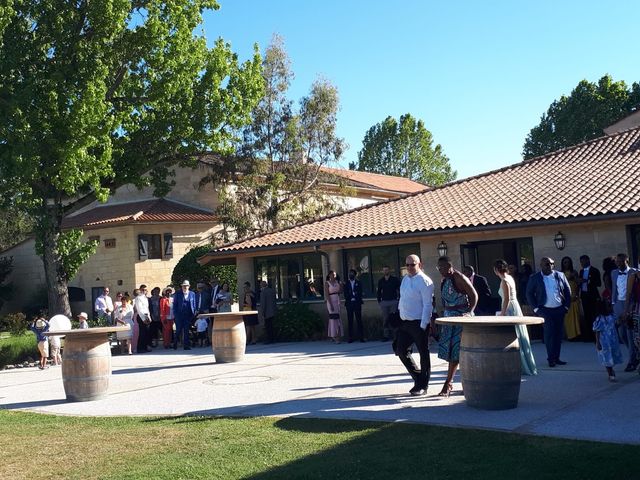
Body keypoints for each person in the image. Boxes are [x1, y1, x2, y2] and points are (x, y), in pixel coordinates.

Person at [437, 256, 478, 397]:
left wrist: (469, 312)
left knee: (456, 351)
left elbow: (474, 294)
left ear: (449, 266)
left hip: (460, 317)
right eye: (438, 268)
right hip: (449, 318)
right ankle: (462, 383)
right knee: (449, 352)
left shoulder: (458, 277)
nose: (440, 270)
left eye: (442, 267)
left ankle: (448, 383)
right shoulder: (445, 280)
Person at [396, 254, 434, 396]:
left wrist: (424, 325)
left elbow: (428, 305)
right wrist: (400, 315)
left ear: (420, 264)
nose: (410, 267)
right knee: (400, 350)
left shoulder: (425, 281)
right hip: (405, 322)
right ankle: (418, 378)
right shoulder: (405, 279)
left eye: (413, 264)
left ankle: (423, 385)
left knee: (423, 354)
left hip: (419, 322)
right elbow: (403, 298)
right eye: (407, 265)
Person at [493, 259, 537, 375]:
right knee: (518, 334)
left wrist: (502, 313)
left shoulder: (504, 281)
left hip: (510, 307)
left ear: (496, 270)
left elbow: (506, 298)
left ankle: (520, 364)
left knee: (514, 335)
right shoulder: (510, 277)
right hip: (514, 305)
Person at [526, 257, 571, 367]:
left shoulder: (560, 275)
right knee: (549, 333)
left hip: (559, 309)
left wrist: (566, 307)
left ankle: (557, 357)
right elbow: (529, 293)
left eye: (551, 264)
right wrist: (536, 308)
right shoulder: (535, 278)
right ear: (541, 265)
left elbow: (567, 290)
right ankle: (551, 358)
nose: (549, 266)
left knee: (558, 334)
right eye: (546, 264)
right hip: (545, 310)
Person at [612, 253, 638, 372]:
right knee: (621, 334)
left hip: (631, 305)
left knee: (630, 333)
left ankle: (632, 361)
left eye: (621, 262)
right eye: (617, 262)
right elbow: (614, 289)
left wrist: (630, 308)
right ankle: (635, 354)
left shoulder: (634, 272)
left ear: (627, 261)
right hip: (618, 304)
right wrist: (613, 304)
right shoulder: (614, 273)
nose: (619, 264)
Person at [593, 300, 623, 382]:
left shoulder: (612, 316)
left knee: (612, 357)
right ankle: (610, 374)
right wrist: (598, 343)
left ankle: (611, 370)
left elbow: (616, 325)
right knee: (606, 358)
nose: (611, 308)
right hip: (605, 343)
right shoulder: (600, 319)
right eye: (608, 306)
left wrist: (621, 320)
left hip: (613, 341)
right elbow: (597, 331)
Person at [578, 255, 601, 342]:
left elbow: (598, 283)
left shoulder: (594, 270)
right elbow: (580, 283)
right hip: (584, 296)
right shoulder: (581, 271)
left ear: (588, 260)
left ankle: (597, 336)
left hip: (593, 296)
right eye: (581, 262)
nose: (582, 263)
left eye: (584, 261)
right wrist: (579, 282)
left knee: (594, 316)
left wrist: (587, 281)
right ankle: (589, 336)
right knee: (587, 316)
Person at [376, 265, 400, 341]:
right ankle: (386, 335)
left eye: (387, 270)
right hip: (384, 302)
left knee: (394, 318)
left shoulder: (394, 280)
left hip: (393, 301)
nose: (385, 271)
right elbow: (379, 291)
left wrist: (399, 299)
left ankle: (395, 335)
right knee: (385, 319)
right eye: (384, 270)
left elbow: (400, 289)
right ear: (383, 271)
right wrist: (379, 301)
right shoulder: (381, 281)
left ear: (389, 270)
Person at [560, 256, 581, 341]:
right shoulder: (560, 273)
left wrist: (576, 295)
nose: (566, 264)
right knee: (567, 318)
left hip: (574, 296)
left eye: (568, 262)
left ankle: (577, 335)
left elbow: (578, 283)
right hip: (565, 297)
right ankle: (570, 335)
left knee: (576, 317)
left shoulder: (574, 272)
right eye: (565, 262)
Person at [173, 280, 197, 350]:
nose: (185, 287)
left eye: (186, 286)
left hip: (188, 315)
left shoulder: (192, 294)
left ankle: (186, 346)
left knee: (186, 330)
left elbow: (194, 303)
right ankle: (175, 343)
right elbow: (175, 305)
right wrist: (175, 314)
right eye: (184, 286)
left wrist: (194, 311)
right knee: (178, 330)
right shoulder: (178, 294)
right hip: (179, 315)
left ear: (189, 286)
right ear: (182, 286)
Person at [343, 269, 364, 343]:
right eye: (349, 274)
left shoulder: (358, 282)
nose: (350, 275)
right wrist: (350, 295)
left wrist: (356, 296)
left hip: (357, 303)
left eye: (352, 274)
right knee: (350, 320)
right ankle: (350, 337)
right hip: (349, 303)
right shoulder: (346, 283)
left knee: (359, 320)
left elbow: (360, 292)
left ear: (355, 275)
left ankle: (361, 337)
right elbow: (345, 293)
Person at [133, 285, 152, 353]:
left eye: (145, 290)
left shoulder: (145, 298)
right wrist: (144, 319)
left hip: (146, 316)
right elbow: (139, 309)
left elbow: (147, 309)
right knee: (142, 333)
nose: (144, 291)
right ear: (140, 290)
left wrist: (149, 317)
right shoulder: (138, 298)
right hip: (141, 317)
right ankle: (140, 348)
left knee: (147, 333)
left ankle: (145, 346)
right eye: (143, 289)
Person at [325, 271, 343, 343]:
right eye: (333, 274)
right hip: (331, 301)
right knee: (333, 318)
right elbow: (327, 294)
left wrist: (341, 285)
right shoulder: (327, 283)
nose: (334, 276)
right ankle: (334, 336)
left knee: (338, 318)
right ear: (329, 275)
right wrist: (330, 304)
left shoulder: (337, 282)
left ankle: (337, 334)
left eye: (335, 275)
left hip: (337, 301)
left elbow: (340, 291)